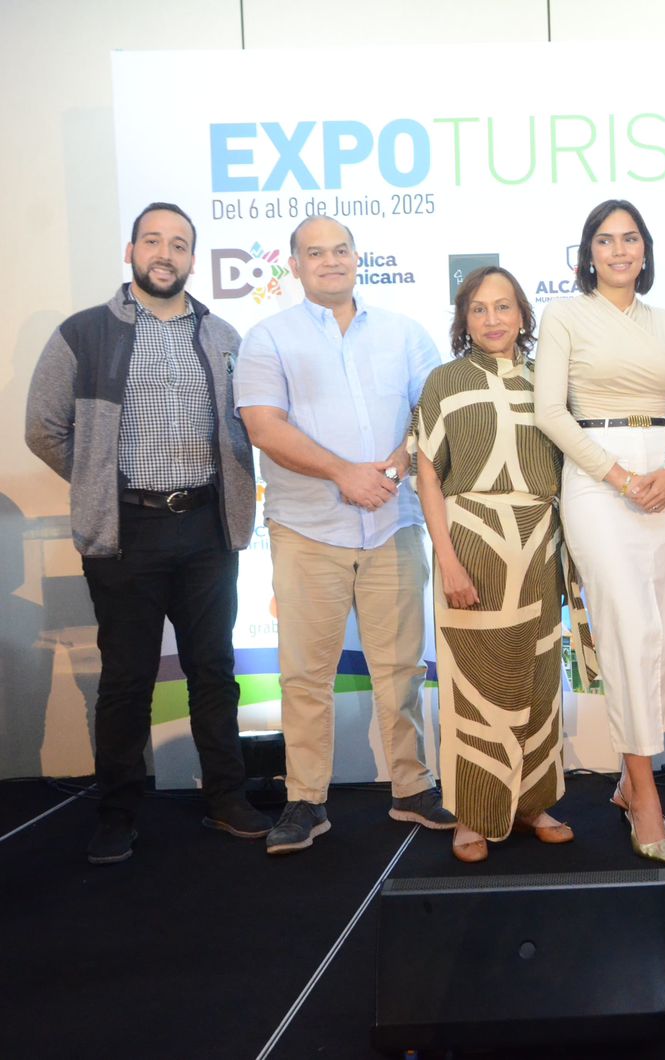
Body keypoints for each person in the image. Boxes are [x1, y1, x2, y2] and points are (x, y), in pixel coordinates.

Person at [25, 201, 271, 864]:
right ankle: (117, 813)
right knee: (127, 680)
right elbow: (43, 427)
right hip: (124, 532)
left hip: (207, 529)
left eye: (179, 244)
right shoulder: (83, 333)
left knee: (214, 671)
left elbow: (249, 425)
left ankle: (226, 798)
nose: (166, 254)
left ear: (192, 258)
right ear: (131, 251)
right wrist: (97, 482)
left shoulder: (223, 335)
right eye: (153, 241)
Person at [236, 215, 454, 856]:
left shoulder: (404, 333)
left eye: (340, 250)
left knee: (402, 669)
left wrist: (393, 467)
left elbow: (432, 415)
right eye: (315, 252)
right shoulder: (268, 338)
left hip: (393, 524)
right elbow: (263, 427)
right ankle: (306, 799)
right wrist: (344, 473)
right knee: (306, 675)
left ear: (358, 258)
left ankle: (411, 787)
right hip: (308, 529)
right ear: (295, 266)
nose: (330, 261)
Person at [533, 200, 665, 864]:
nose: (620, 249)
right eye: (606, 240)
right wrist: (621, 477)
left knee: (659, 629)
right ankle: (646, 794)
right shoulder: (564, 316)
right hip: (598, 479)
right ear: (588, 254)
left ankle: (632, 783)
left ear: (645, 250)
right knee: (628, 627)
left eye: (631, 238)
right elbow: (550, 411)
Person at [413, 266, 592, 863]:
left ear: (523, 315)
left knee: (538, 680)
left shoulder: (547, 380)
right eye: (479, 309)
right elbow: (428, 476)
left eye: (504, 306)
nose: (492, 319)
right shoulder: (444, 381)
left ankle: (532, 805)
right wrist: (448, 561)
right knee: (475, 688)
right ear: (464, 320)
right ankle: (472, 815)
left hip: (540, 545)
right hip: (471, 545)